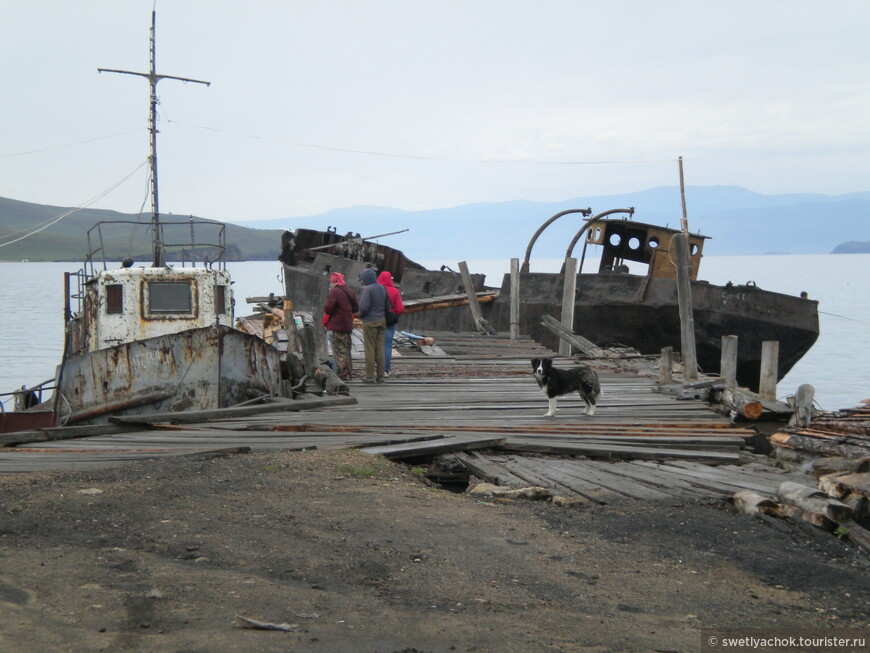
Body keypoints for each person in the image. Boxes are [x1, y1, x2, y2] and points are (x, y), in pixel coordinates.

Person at [322, 272, 359, 382]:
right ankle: (348, 372)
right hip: (347, 325)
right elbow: (356, 307)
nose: (331, 284)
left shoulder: (335, 292)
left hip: (337, 326)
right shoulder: (349, 291)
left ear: (334, 282)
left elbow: (328, 308)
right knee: (347, 349)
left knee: (338, 351)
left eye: (331, 282)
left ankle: (341, 375)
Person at [356, 268, 387, 383]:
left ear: (366, 279)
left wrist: (360, 315)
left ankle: (369, 376)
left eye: (362, 279)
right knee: (380, 349)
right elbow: (386, 304)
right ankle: (380, 375)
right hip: (382, 320)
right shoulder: (382, 288)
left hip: (370, 321)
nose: (362, 282)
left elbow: (364, 307)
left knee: (369, 348)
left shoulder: (368, 289)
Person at [378, 270, 405, 377]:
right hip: (390, 322)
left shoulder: (376, 290)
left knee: (376, 346)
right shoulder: (395, 291)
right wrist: (394, 314)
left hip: (377, 320)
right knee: (387, 346)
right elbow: (400, 308)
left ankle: (376, 369)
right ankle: (386, 370)